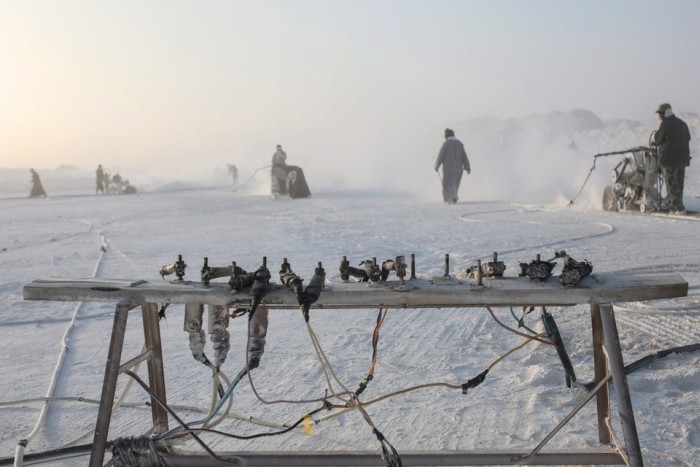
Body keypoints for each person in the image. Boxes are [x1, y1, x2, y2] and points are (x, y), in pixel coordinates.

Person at [654, 103, 692, 214]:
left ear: (666, 113)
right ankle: (675, 205)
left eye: (660, 113)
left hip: (669, 160)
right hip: (682, 159)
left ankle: (678, 208)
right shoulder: (682, 124)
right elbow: (688, 138)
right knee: (679, 184)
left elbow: (657, 140)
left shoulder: (665, 125)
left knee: (671, 184)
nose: (659, 116)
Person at [434, 128, 471, 204]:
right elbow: (464, 156)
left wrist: (436, 166)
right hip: (458, 169)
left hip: (448, 168)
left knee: (448, 184)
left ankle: (452, 198)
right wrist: (467, 167)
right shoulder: (459, 144)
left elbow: (440, 156)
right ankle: (454, 197)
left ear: (447, 135)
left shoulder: (446, 144)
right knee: (455, 183)